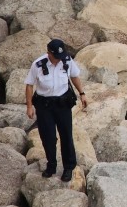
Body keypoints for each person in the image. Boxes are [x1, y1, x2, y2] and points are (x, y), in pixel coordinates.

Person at [24, 39, 87, 182]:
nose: (59, 60)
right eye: (56, 57)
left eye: (61, 56)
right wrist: (29, 106)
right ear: (49, 53)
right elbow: (29, 85)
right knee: (48, 137)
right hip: (44, 105)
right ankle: (51, 165)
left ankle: (69, 167)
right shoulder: (38, 65)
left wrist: (82, 93)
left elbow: (74, 76)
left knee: (66, 135)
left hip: (62, 103)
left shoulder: (66, 60)